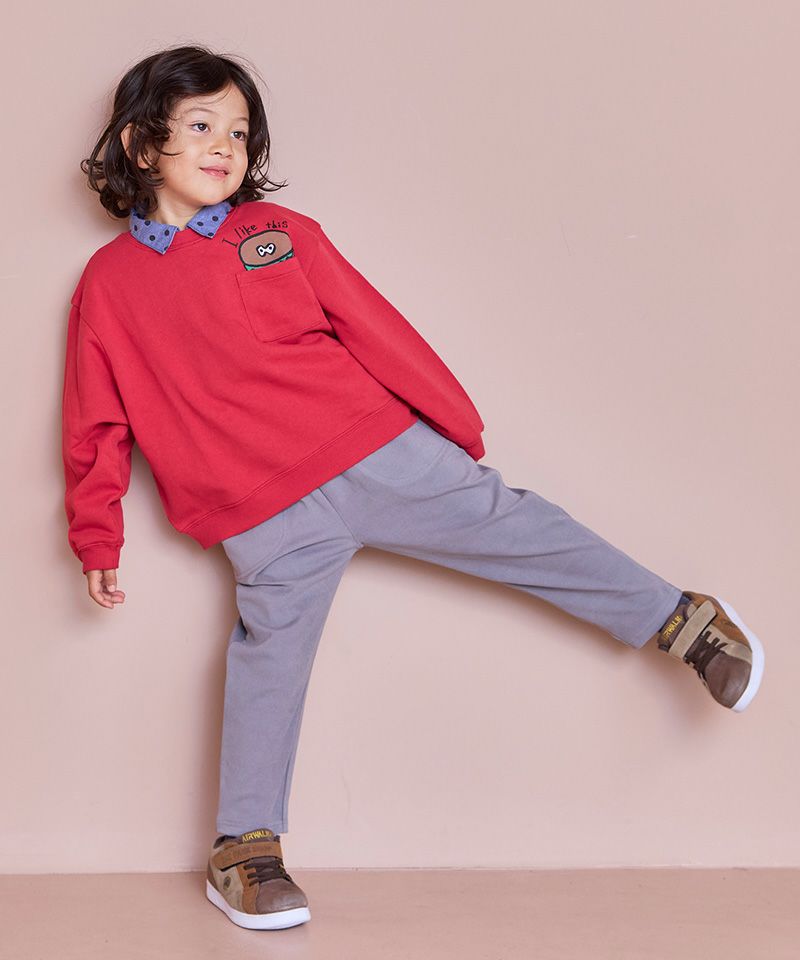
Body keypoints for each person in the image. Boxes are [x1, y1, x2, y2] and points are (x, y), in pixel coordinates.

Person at [62, 44, 765, 932]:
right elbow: (94, 420)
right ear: (139, 145)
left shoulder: (277, 234)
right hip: (261, 515)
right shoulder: (108, 286)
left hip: (378, 451)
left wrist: (455, 429)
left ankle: (685, 622)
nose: (224, 146)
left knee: (522, 530)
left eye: (238, 132)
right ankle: (243, 850)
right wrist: (97, 533)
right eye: (200, 126)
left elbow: (374, 327)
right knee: (267, 661)